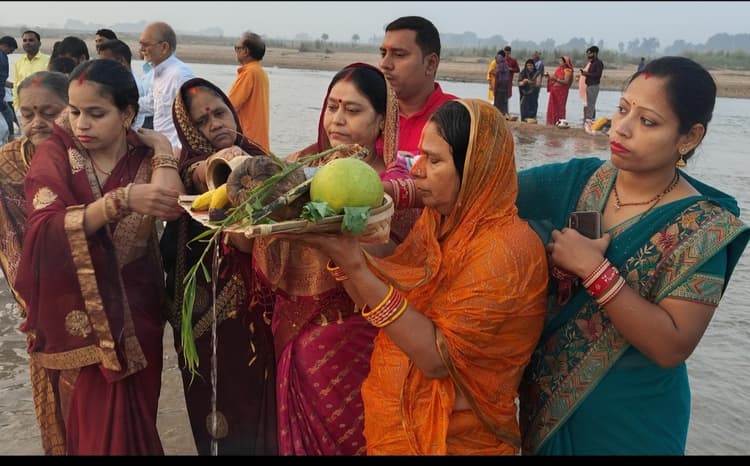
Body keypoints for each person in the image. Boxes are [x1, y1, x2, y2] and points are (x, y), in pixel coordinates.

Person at [516, 56, 750, 455]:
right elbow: (484, 189)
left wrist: (594, 270)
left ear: (689, 137)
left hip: (632, 426)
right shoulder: (577, 180)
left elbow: (672, 345)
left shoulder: (702, 227)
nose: (621, 127)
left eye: (648, 121)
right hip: (545, 417)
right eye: (623, 109)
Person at [291, 99, 548, 454]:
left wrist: (354, 264)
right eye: (420, 156)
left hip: (457, 441)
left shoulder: (507, 251)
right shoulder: (440, 221)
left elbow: (436, 360)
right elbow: (386, 288)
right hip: (395, 426)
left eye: (434, 160)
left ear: (476, 168)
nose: (417, 170)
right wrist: (339, 247)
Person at [249, 63, 421, 455]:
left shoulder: (394, 188)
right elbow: (258, 245)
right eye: (332, 107)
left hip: (360, 346)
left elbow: (400, 268)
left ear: (382, 121)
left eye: (353, 110)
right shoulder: (297, 170)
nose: (337, 120)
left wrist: (341, 238)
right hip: (294, 339)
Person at [14, 59, 185, 455]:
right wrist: (117, 202)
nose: (81, 124)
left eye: (96, 113)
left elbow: (172, 204)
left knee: (137, 427)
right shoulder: (56, 154)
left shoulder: (144, 155)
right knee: (94, 432)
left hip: (139, 316)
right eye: (74, 112)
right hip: (81, 317)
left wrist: (162, 148)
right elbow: (43, 230)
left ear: (127, 114)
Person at [160, 77, 278, 455]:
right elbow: (200, 173)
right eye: (201, 121)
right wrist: (220, 167)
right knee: (212, 406)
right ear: (188, 130)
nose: (215, 125)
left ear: (233, 112)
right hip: (199, 316)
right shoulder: (186, 169)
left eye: (219, 113)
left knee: (254, 398)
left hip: (250, 311)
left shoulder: (258, 156)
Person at [0, 71, 68, 317]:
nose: (37, 123)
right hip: (34, 283)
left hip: (93, 279)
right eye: (27, 115)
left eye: (50, 114)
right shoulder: (7, 160)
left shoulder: (89, 155)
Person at [379, 15, 457, 155]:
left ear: (430, 64)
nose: (384, 64)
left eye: (399, 54)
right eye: (383, 53)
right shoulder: (371, 112)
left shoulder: (459, 118)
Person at [139, 21, 194, 150]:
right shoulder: (157, 73)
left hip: (177, 149)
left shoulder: (180, 75)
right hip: (162, 147)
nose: (141, 50)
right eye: (140, 44)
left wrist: (180, 150)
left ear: (164, 47)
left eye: (146, 45)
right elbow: (152, 103)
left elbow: (193, 114)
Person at [228, 32, 270, 150]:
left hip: (248, 140)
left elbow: (230, 106)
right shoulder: (260, 72)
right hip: (259, 141)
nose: (236, 51)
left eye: (237, 48)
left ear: (246, 51)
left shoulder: (248, 73)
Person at [97, 38, 148, 129]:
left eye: (105, 62)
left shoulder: (133, 86)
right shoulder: (117, 83)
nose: (102, 67)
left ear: (120, 60)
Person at [12, 31, 50, 112]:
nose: (27, 43)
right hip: (23, 106)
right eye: (24, 40)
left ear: (39, 43)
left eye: (31, 40)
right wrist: (16, 105)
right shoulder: (19, 62)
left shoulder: (48, 61)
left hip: (43, 107)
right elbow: (16, 85)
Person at [545, 56, 574, 125]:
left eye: (561, 61)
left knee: (560, 107)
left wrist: (556, 79)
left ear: (565, 63)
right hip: (554, 92)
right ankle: (551, 122)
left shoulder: (568, 71)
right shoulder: (558, 69)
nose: (559, 62)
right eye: (559, 61)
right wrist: (549, 77)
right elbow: (554, 78)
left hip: (561, 92)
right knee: (553, 107)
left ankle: (560, 122)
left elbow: (566, 82)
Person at [1, 36, 18, 141]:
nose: (10, 53)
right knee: (9, 114)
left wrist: (11, 85)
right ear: (5, 46)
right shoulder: (2, 57)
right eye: (10, 50)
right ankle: (11, 137)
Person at [580, 45, 604, 121]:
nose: (588, 55)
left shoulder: (598, 63)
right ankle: (591, 120)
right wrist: (585, 74)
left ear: (595, 53)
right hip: (589, 85)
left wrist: (587, 74)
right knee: (590, 104)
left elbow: (598, 75)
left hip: (594, 86)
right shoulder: (592, 63)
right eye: (588, 54)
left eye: (590, 53)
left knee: (591, 105)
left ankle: (589, 120)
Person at [492, 50, 511, 116]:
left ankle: (498, 115)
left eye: (497, 57)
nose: (496, 58)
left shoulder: (501, 64)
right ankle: (504, 114)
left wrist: (494, 72)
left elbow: (497, 73)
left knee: (498, 101)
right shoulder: (506, 64)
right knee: (503, 102)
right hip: (505, 85)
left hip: (500, 85)